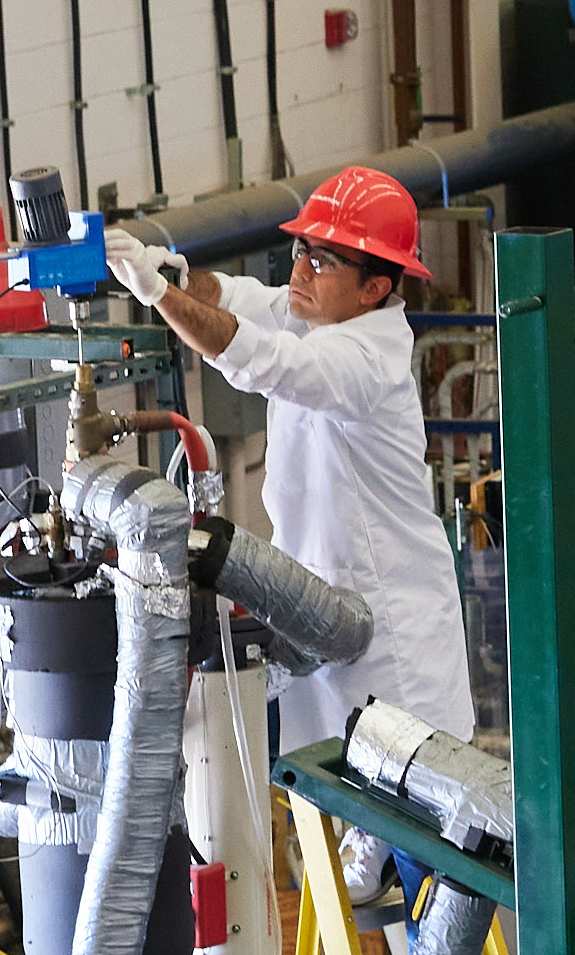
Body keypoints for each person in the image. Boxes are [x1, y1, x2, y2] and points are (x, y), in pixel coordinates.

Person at [140, 165, 482, 748]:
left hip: (391, 642)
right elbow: (240, 299)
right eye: (300, 249)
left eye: (320, 260)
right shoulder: (321, 313)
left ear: (375, 287)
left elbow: (265, 361)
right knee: (330, 793)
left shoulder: (363, 360)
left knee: (412, 820)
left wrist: (160, 299)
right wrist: (167, 275)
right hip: (320, 616)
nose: (298, 270)